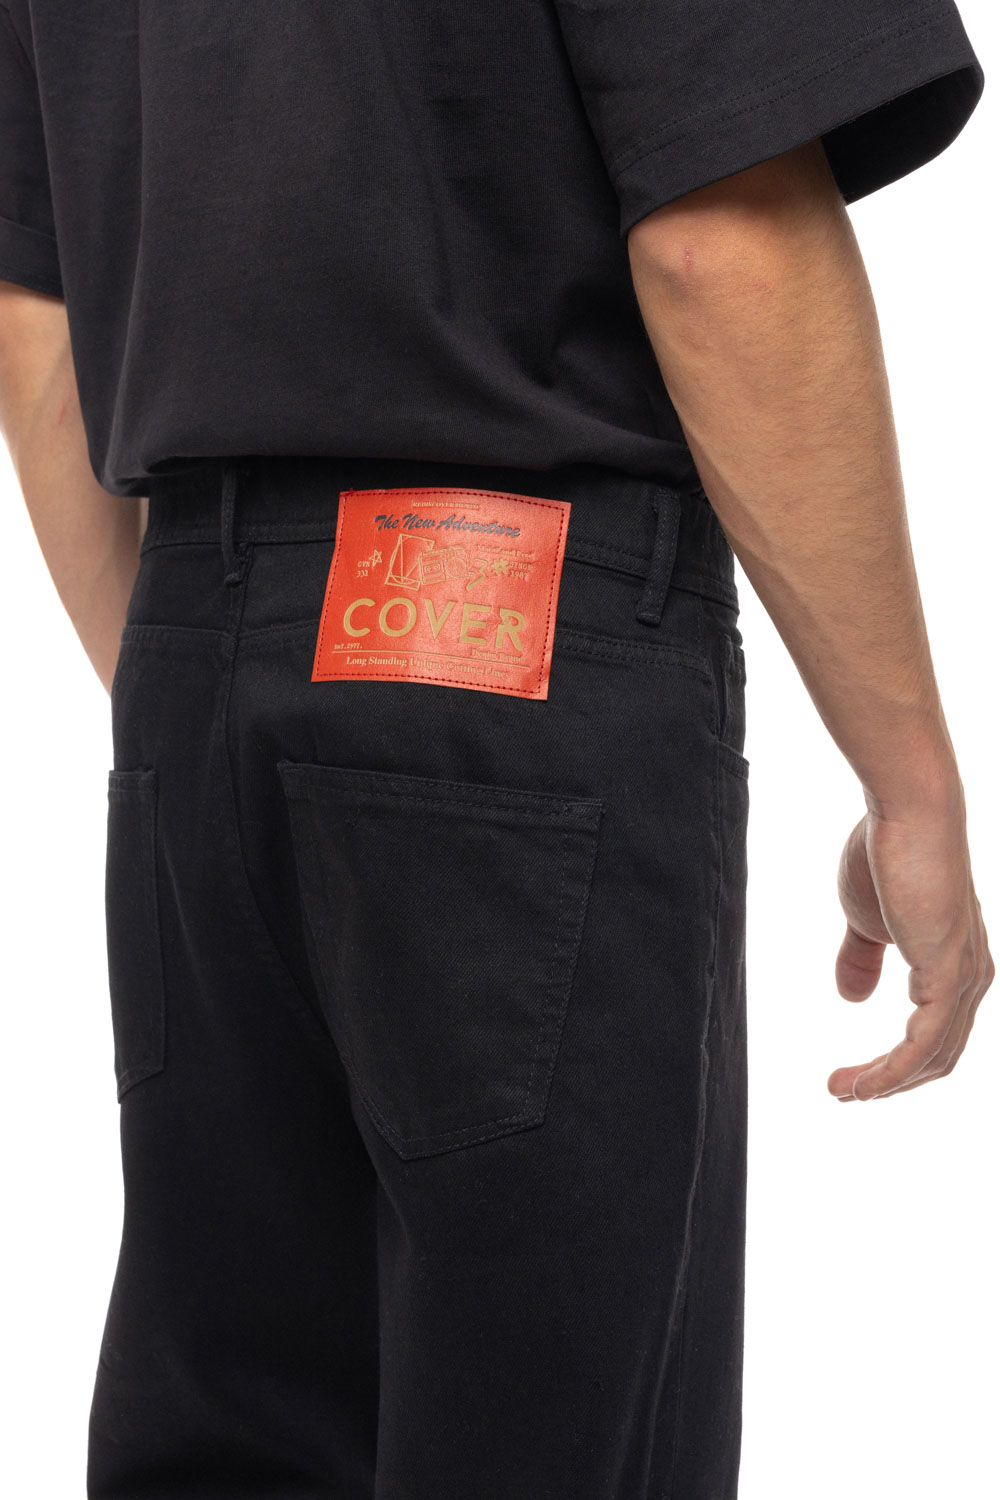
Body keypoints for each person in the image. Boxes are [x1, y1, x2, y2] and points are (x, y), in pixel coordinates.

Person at [0, 2, 993, 1496]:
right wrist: (909, 787)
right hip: (506, 644)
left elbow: (37, 310)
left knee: (231, 1424)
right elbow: (717, 236)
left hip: (194, 657)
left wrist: (208, 702)